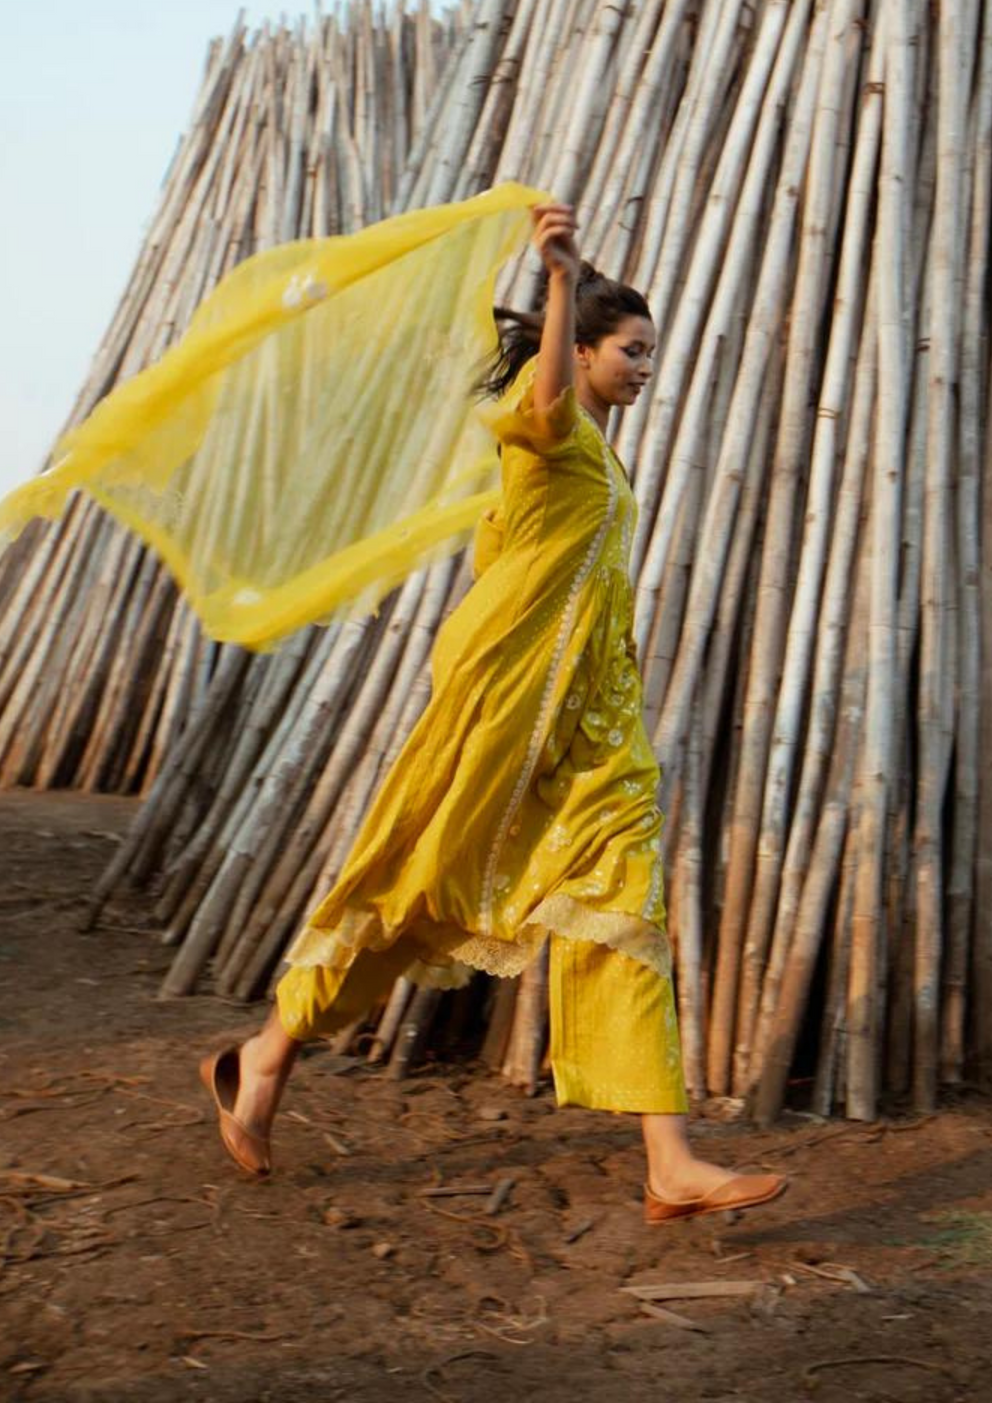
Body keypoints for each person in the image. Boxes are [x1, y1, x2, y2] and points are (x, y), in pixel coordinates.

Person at [201, 201, 788, 1224]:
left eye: (654, 352)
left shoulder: (603, 453)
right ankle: (267, 1053)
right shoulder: (546, 427)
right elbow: (545, 394)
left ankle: (669, 1162)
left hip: (593, 717)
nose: (647, 368)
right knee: (415, 883)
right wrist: (561, 282)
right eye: (633, 351)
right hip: (502, 699)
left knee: (625, 904)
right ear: (587, 353)